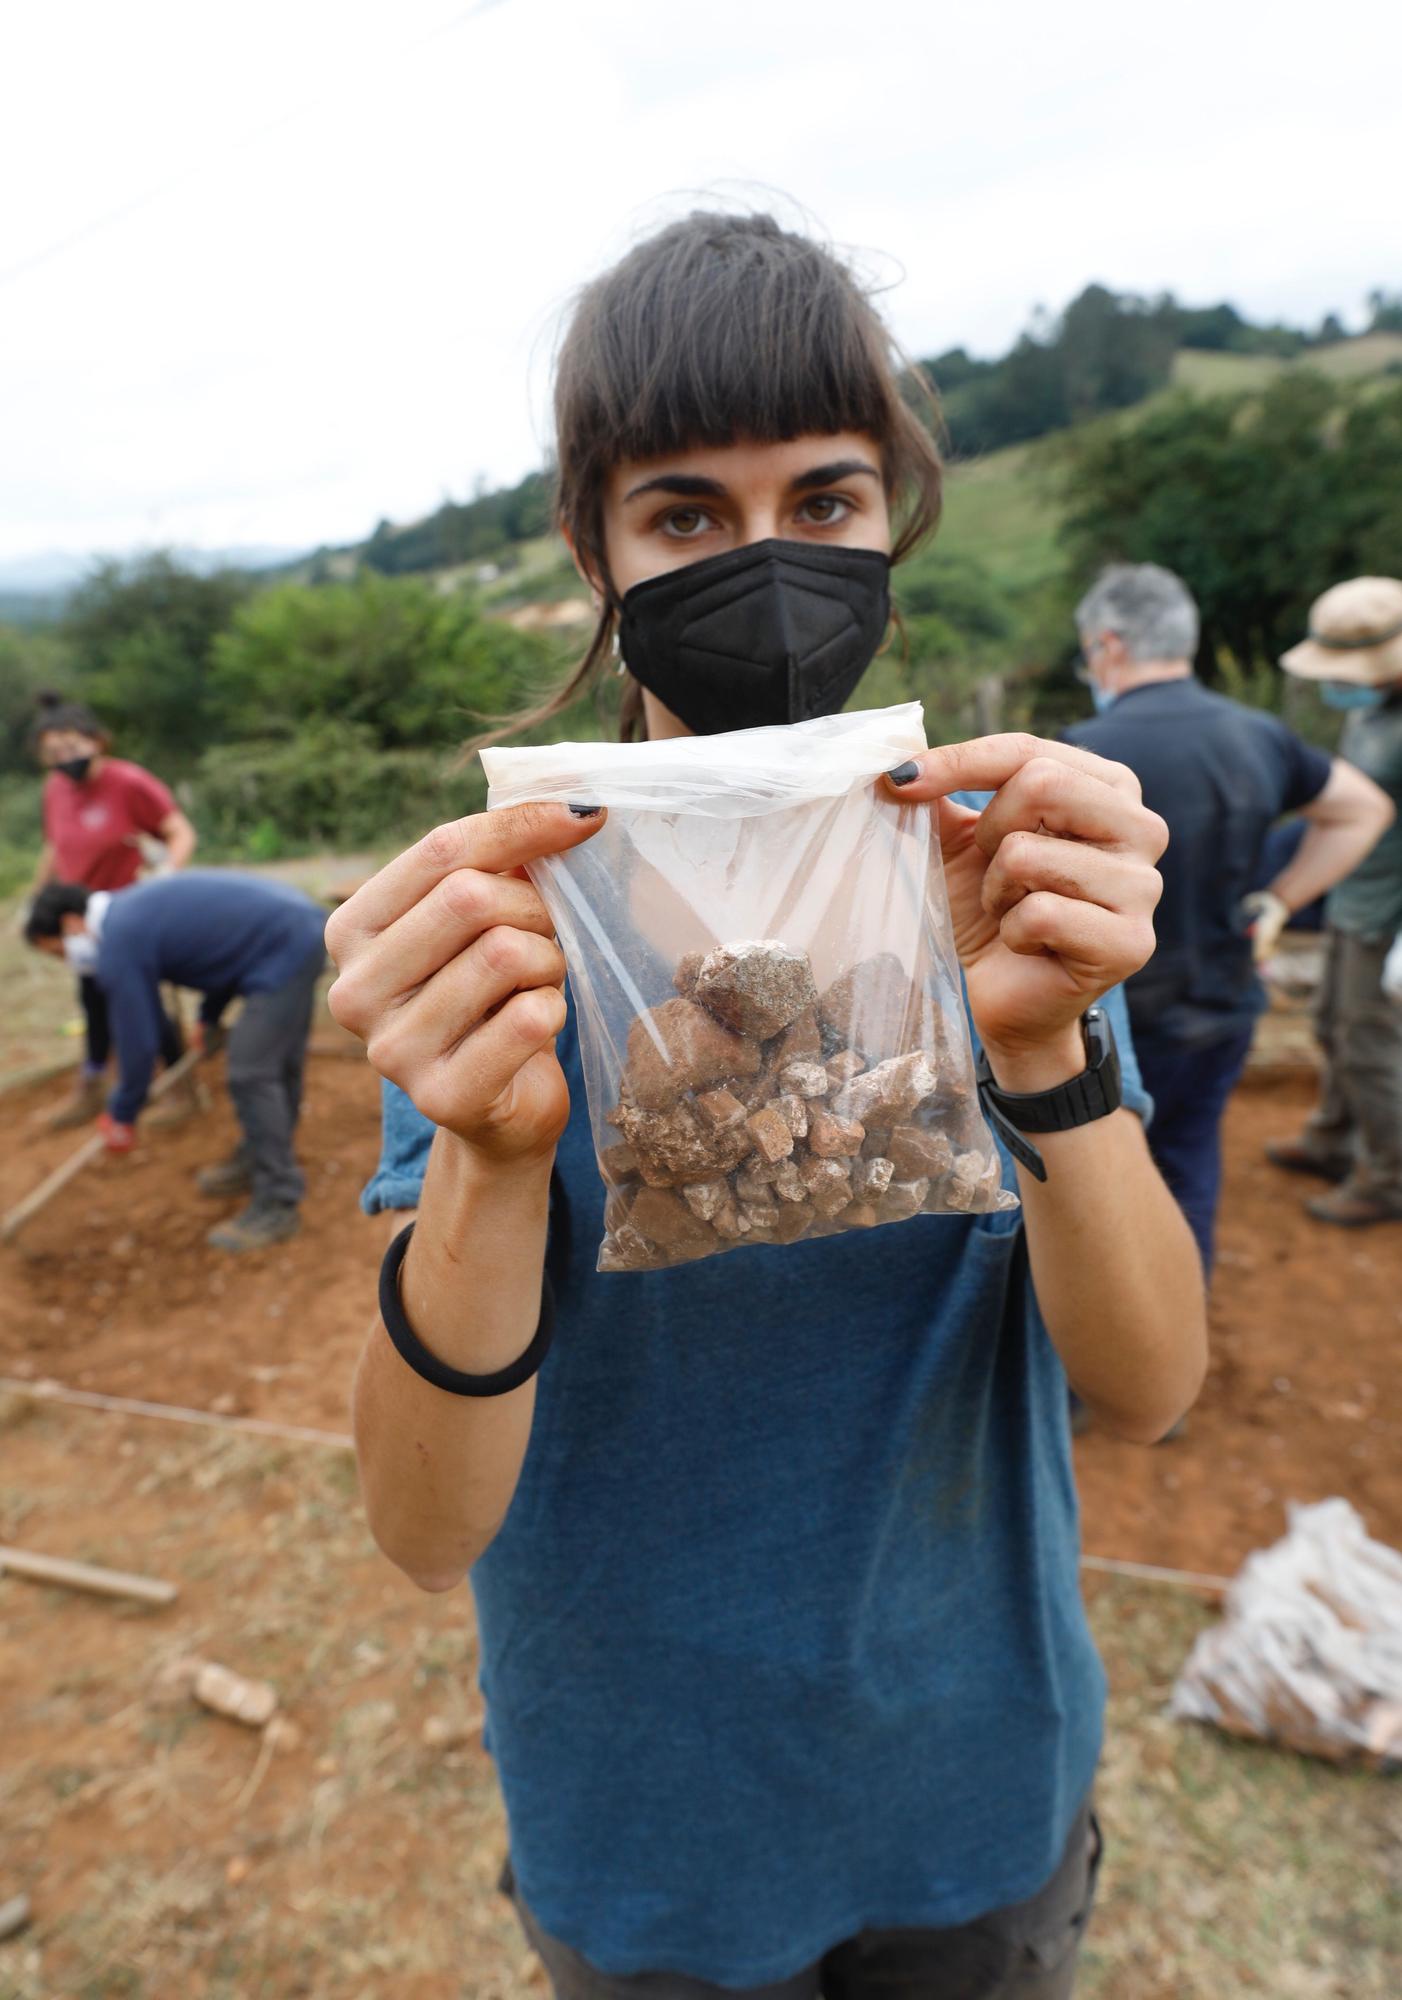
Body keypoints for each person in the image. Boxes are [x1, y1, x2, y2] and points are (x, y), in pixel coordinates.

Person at [326, 211, 1207, 2000]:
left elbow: (1147, 1388)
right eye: (685, 515)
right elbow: (424, 1531)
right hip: (649, 1831)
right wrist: (500, 1157)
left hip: (972, 1789)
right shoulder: (514, 938)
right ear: (595, 545)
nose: (766, 562)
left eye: (821, 502)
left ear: (894, 516)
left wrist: (1036, 1051)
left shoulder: (996, 890)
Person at [1065, 564, 1391, 1272]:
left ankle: (1108, 1347)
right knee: (1189, 1161)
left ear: (1110, 646)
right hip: (1223, 1007)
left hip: (1126, 1021)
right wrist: (1283, 897)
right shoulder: (1260, 735)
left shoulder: (1080, 752)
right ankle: (1185, 1314)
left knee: (1103, 1181)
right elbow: (1363, 809)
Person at [25, 871, 327, 1252]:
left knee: (253, 1072)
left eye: (58, 951)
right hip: (290, 933)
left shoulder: (119, 939)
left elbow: (139, 1039)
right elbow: (223, 947)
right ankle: (257, 1157)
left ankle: (278, 1200)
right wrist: (209, 1016)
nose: (66, 960)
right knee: (273, 1064)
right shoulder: (127, 915)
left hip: (287, 945)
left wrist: (122, 1112)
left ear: (71, 923)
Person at [1268, 576, 1402, 1225]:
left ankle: (1389, 1176)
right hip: (1356, 896)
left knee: (1369, 1040)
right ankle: (1331, 1139)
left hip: (1389, 917)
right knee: (1330, 1023)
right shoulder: (1371, 709)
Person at [30, 690, 198, 1130]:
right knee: (92, 999)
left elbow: (179, 832)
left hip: (129, 917)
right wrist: (37, 896)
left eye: (71, 748)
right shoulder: (56, 790)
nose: (64, 759)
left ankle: (180, 1085)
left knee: (142, 999)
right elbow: (55, 846)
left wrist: (167, 874)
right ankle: (93, 1083)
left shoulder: (129, 782)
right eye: (53, 754)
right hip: (80, 922)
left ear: (96, 741)